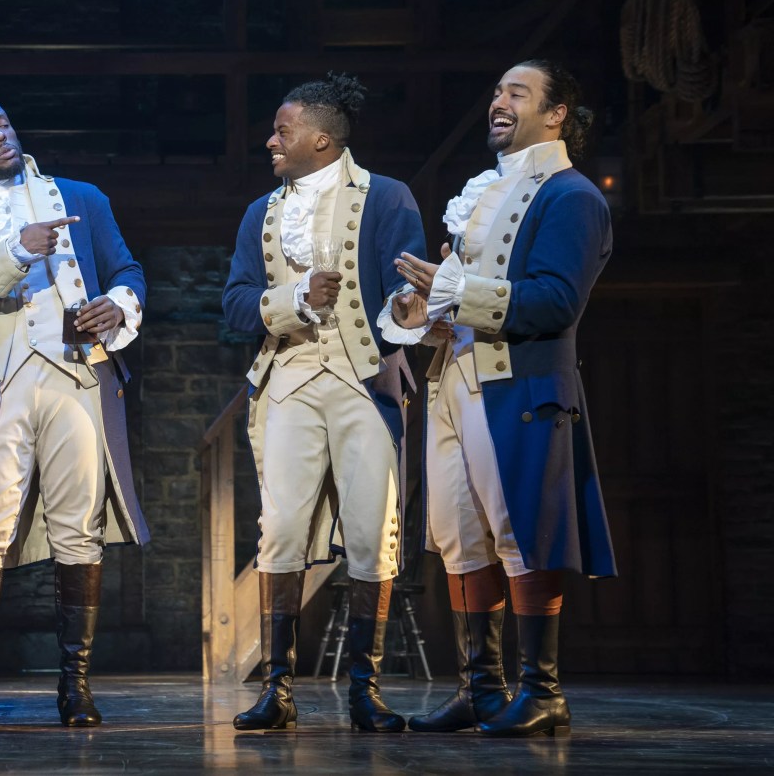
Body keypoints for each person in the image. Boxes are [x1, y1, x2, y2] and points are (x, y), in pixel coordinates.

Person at [390, 59, 616, 738]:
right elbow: (467, 307)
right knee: (463, 540)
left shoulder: (571, 196)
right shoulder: (485, 193)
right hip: (456, 381)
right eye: (496, 91)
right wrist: (424, 309)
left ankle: (541, 692)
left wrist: (456, 291)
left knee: (523, 536)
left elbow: (555, 301)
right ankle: (481, 691)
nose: (499, 101)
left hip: (519, 388)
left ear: (557, 116)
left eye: (517, 93)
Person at [0, 95, 149, 729]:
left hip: (76, 374)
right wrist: (14, 254)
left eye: (3, 123)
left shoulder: (82, 197)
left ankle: (75, 686)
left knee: (79, 525)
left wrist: (118, 305)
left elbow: (127, 268)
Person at [222, 74, 426, 732]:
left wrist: (407, 313)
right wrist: (294, 301)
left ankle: (365, 688)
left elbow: (408, 298)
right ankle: (277, 689)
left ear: (319, 137)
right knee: (279, 530)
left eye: (281, 131)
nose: (270, 142)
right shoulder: (260, 212)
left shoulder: (388, 197)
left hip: (363, 379)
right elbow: (232, 306)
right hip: (288, 377)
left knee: (372, 532)